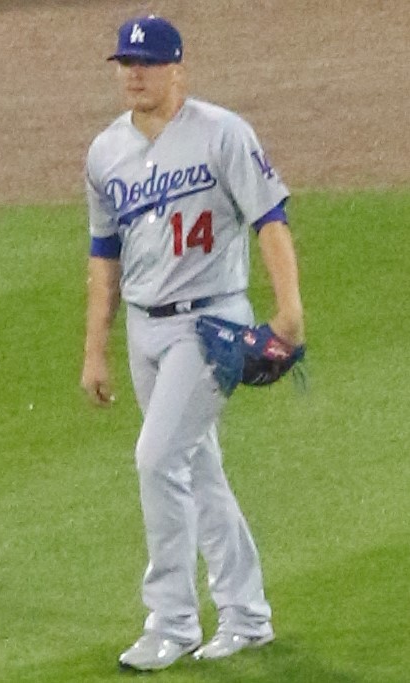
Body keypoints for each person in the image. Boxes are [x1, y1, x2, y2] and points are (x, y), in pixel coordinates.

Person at [81, 15, 304, 672]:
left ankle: (171, 621)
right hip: (144, 325)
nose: (134, 73)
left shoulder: (221, 133)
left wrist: (287, 308)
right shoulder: (104, 152)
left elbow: (268, 217)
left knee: (156, 460)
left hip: (210, 324)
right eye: (125, 62)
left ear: (178, 67)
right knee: (196, 468)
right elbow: (103, 255)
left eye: (146, 62)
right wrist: (95, 346)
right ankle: (247, 614)